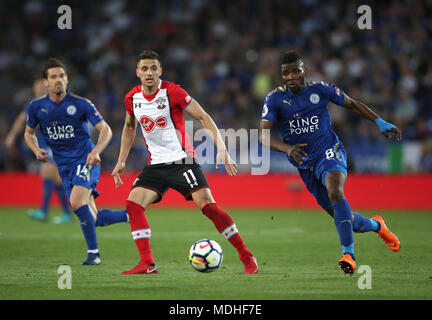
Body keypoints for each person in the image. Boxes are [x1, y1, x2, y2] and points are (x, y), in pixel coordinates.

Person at [111, 50, 258, 274]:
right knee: (133, 205)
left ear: (160, 70)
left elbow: (203, 117)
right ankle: (147, 264)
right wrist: (121, 160)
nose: (149, 73)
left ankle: (246, 256)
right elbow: (130, 127)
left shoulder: (173, 92)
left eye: (153, 68)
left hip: (182, 161)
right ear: (138, 73)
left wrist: (222, 148)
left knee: (209, 207)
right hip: (156, 165)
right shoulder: (132, 98)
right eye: (144, 69)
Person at [259, 50, 401, 275]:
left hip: (329, 151)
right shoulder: (275, 99)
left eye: (295, 71)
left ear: (304, 70)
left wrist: (380, 121)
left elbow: (352, 104)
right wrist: (287, 148)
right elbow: (262, 136)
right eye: (285, 73)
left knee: (335, 189)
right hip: (305, 165)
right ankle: (377, 226)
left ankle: (349, 255)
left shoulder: (321, 89)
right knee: (346, 218)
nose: (290, 77)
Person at [24, 58, 129, 265]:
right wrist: (36, 149)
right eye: (53, 76)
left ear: (67, 79)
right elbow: (29, 133)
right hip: (64, 166)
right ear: (46, 82)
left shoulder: (81, 104)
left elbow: (105, 129)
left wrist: (97, 151)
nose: (58, 80)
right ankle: (131, 216)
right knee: (93, 217)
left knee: (75, 202)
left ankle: (94, 255)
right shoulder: (36, 107)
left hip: (85, 159)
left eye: (62, 76)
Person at [5, 79, 72, 224]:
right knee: (55, 178)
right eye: (37, 86)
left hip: (56, 143)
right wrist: (11, 135)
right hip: (44, 144)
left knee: (48, 172)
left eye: (42, 85)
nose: (39, 88)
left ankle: (44, 211)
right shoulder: (33, 104)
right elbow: (20, 120)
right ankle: (66, 213)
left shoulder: (57, 101)